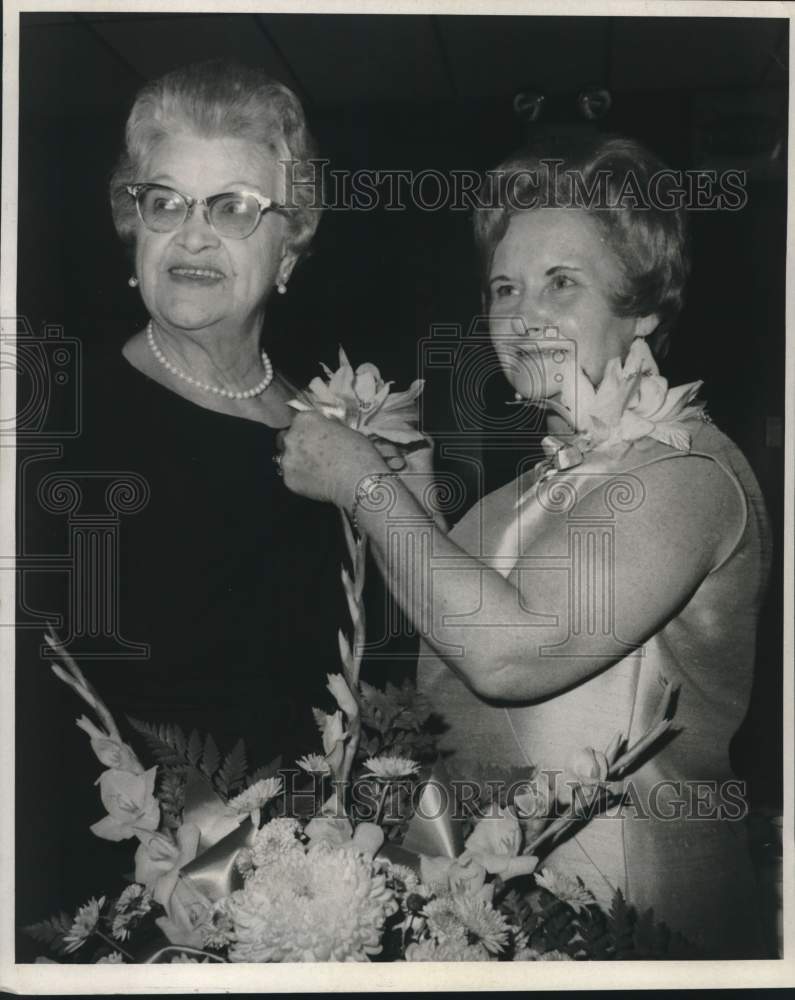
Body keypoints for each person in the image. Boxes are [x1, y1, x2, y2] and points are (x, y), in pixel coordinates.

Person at [277, 135, 772, 957]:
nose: (522, 314)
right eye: (503, 288)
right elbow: (451, 654)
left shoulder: (683, 472)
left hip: (641, 930)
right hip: (504, 919)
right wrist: (413, 493)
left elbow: (506, 655)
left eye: (561, 284)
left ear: (642, 306)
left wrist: (366, 488)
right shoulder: (526, 488)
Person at [16, 60, 344, 933]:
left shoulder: (344, 434)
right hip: (103, 903)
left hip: (309, 891)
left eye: (234, 207)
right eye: (166, 202)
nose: (193, 236)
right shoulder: (50, 416)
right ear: (133, 225)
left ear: (293, 239)